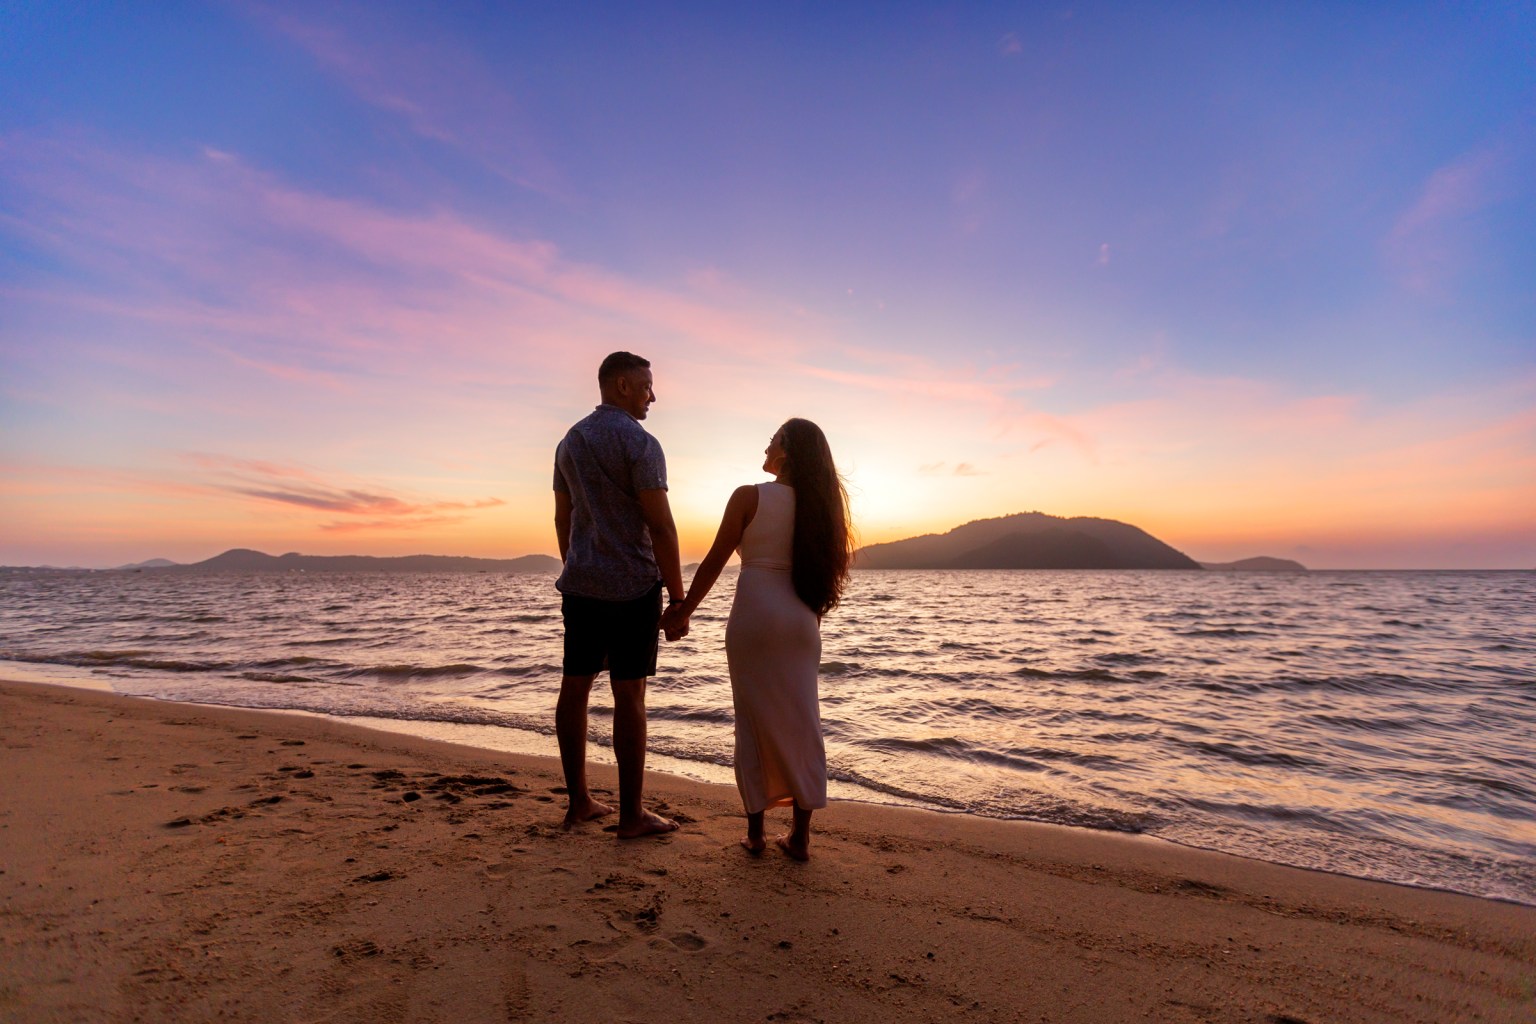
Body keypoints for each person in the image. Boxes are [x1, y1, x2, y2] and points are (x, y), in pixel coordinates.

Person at [666, 418, 852, 860]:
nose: (763, 451)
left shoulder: (749, 496)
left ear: (786, 450)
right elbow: (822, 578)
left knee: (751, 723)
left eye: (770, 443)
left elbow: (713, 562)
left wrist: (682, 611)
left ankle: (756, 834)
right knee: (803, 722)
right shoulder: (820, 510)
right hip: (802, 622)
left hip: (754, 616)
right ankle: (801, 838)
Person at [552, 351, 684, 839]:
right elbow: (662, 525)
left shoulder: (569, 442)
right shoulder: (641, 443)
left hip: (581, 584)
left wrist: (577, 564)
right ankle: (632, 815)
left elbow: (562, 519)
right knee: (629, 693)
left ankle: (579, 802)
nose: (654, 395)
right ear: (623, 386)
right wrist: (678, 598)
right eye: (647, 385)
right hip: (632, 584)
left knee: (575, 686)